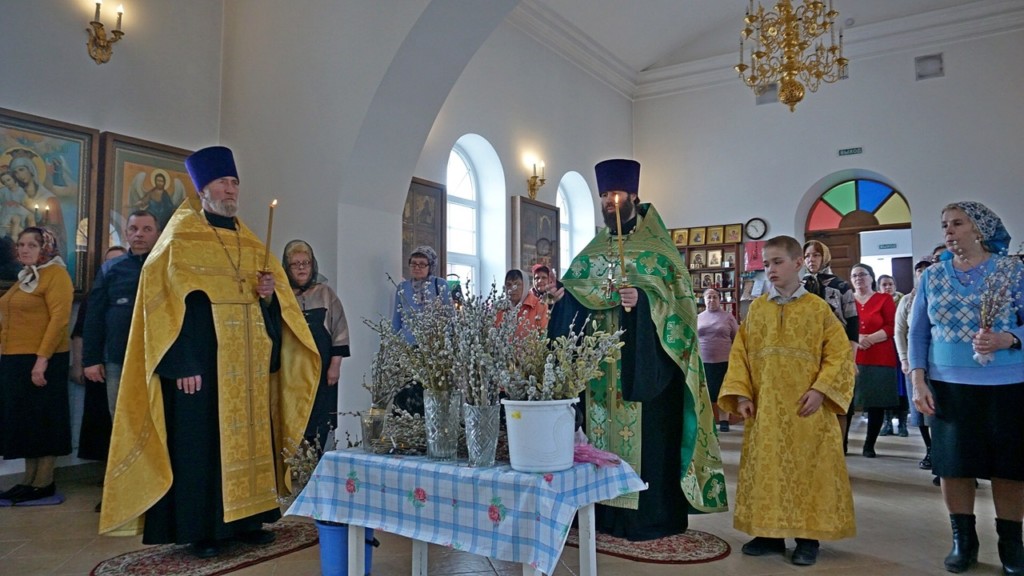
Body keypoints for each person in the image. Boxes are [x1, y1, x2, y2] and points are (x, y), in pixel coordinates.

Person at [98, 146, 320, 558]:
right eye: (222, 182)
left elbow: (270, 308)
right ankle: (203, 531)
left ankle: (249, 521)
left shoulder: (250, 242)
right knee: (201, 447)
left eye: (234, 182)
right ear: (202, 189)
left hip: (248, 368)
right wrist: (181, 362)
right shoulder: (178, 240)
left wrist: (268, 296)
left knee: (252, 443)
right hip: (200, 367)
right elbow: (162, 308)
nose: (231, 189)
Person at [548, 158, 727, 541]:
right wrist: (565, 297)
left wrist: (644, 301)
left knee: (648, 442)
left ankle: (646, 518)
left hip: (645, 370)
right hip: (600, 376)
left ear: (633, 195)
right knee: (596, 438)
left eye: (615, 194)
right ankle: (601, 514)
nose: (608, 202)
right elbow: (578, 293)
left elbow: (680, 307)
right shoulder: (594, 250)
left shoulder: (659, 250)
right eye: (603, 196)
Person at [719, 235, 856, 567]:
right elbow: (740, 355)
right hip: (766, 409)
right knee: (768, 469)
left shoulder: (818, 309)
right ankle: (770, 534)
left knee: (809, 470)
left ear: (798, 263)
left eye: (778, 262)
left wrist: (821, 389)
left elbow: (839, 355)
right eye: (767, 264)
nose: (771, 269)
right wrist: (742, 394)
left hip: (806, 409)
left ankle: (808, 538)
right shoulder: (758, 310)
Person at [909, 201, 1024, 575]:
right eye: (945, 224)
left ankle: (1012, 545)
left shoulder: (1012, 271)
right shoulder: (932, 276)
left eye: (957, 223)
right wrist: (918, 380)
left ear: (980, 228)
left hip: (1007, 384)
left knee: (1009, 467)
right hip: (949, 386)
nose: (948, 230)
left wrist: (1009, 338)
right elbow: (918, 333)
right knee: (954, 465)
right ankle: (963, 541)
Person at [0, 227, 74, 503]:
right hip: (16, 359)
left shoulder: (56, 275)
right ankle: (28, 480)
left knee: (44, 421)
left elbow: (59, 320)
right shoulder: (27, 276)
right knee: (25, 421)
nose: (24, 249)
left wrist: (41, 361)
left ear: (46, 247)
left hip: (43, 359)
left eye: (32, 245)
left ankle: (44, 481)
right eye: (21, 244)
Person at [83, 211, 161, 418]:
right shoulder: (111, 268)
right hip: (118, 356)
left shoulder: (165, 267)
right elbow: (94, 317)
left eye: (147, 229)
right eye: (133, 229)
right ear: (126, 234)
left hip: (158, 358)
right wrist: (91, 359)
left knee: (155, 417)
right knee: (120, 416)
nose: (139, 234)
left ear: (157, 234)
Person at [282, 239, 351, 447]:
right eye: (295, 264)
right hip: (293, 369)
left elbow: (340, 329)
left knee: (322, 418)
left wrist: (335, 366)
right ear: (287, 268)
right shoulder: (282, 294)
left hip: (323, 368)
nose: (301, 268)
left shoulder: (325, 293)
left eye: (306, 263)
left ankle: (320, 459)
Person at [802, 240, 859, 453]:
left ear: (824, 257)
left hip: (837, 349)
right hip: (808, 351)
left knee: (839, 399)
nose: (811, 260)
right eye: (807, 256)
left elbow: (852, 323)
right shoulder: (799, 286)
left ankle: (839, 447)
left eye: (816, 255)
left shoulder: (841, 286)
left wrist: (851, 358)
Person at [848, 263, 898, 458]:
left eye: (862, 274)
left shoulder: (884, 299)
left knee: (876, 403)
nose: (858, 278)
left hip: (880, 357)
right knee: (848, 403)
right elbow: (839, 325)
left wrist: (869, 339)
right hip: (852, 356)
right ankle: (842, 443)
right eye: (854, 275)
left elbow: (892, 326)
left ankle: (869, 445)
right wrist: (857, 338)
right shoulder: (847, 300)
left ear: (871, 277)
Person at [894, 259, 938, 483]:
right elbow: (900, 331)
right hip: (915, 361)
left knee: (939, 412)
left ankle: (944, 455)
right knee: (920, 411)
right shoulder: (907, 300)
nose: (922, 273)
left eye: (925, 270)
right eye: (918, 271)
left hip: (939, 361)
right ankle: (930, 450)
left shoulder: (940, 293)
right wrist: (904, 359)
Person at [391, 245, 451, 345]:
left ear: (430, 266)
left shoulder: (440, 284)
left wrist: (449, 342)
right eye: (413, 263)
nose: (417, 267)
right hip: (407, 345)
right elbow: (396, 320)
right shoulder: (402, 287)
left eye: (422, 264)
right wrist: (392, 343)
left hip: (434, 344)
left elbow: (450, 316)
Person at [697, 287, 738, 432]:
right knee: (705, 392)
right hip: (703, 362)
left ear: (720, 300)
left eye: (715, 297)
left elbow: (737, 339)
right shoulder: (698, 317)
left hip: (724, 361)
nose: (711, 300)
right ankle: (707, 421)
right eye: (708, 297)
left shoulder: (728, 317)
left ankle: (724, 420)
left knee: (723, 391)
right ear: (704, 300)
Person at [877, 274, 909, 437]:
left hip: (901, 350)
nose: (888, 287)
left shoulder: (904, 301)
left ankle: (902, 424)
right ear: (879, 287)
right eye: (884, 285)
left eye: (890, 284)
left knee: (903, 388)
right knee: (886, 388)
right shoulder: (876, 302)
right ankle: (887, 422)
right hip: (883, 350)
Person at [497, 268, 548, 336]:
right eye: (509, 285)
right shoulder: (498, 308)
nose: (512, 288)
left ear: (525, 285)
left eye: (517, 284)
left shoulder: (540, 306)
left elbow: (543, 336)